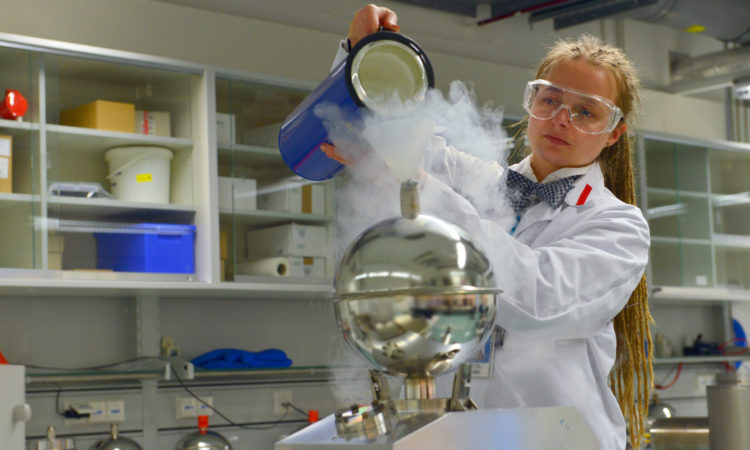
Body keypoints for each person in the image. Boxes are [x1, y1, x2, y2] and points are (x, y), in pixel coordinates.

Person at [323, 4, 652, 449]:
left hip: (559, 441)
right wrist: (366, 51)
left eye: (586, 112)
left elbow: (539, 300)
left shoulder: (618, 226)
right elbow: (371, 130)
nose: (561, 119)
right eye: (550, 99)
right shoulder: (473, 179)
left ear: (613, 133)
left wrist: (419, 187)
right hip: (460, 438)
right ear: (531, 101)